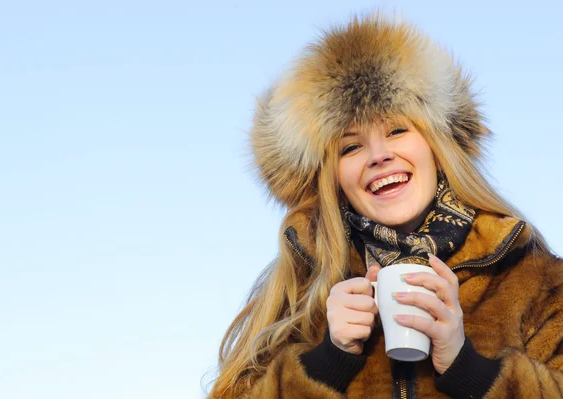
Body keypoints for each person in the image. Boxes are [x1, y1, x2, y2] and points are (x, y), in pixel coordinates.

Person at [209, 13, 563, 398]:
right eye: (351, 146)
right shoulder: (296, 292)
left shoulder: (536, 281)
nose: (378, 156)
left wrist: (470, 370)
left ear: (437, 147)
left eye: (397, 130)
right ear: (332, 179)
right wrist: (327, 363)